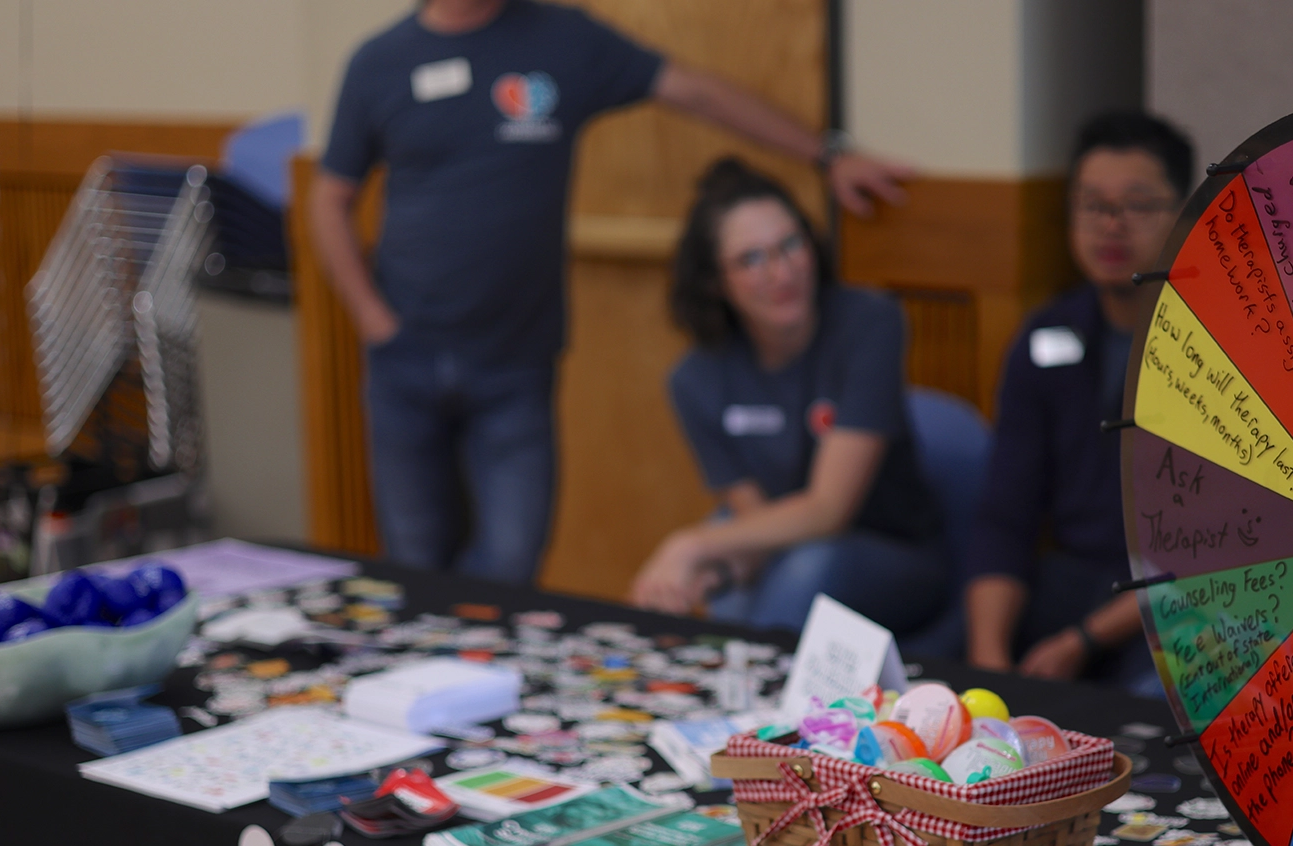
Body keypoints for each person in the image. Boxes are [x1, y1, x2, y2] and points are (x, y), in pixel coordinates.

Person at [310, 0, 909, 584]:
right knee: (414, 559)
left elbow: (698, 93)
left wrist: (826, 155)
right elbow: (329, 197)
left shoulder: (562, 40)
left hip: (515, 364)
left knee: (511, 565)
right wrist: (371, 317)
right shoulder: (379, 61)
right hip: (403, 358)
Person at [629, 158, 946, 634]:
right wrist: (713, 571)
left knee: (791, 563)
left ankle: (765, 698)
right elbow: (755, 521)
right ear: (716, 281)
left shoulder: (870, 323)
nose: (781, 273)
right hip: (792, 548)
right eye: (751, 259)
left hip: (892, 553)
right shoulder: (695, 378)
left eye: (790, 244)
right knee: (726, 559)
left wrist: (690, 545)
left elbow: (828, 510)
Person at [964, 111, 1193, 687]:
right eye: (1093, 205)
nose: (1111, 226)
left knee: (1155, 702)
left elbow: (1218, 551)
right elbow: (1004, 515)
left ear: (1186, 215)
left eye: (1137, 206)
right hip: (1068, 582)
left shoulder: (1217, 348)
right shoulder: (1047, 334)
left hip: (1178, 604)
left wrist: (1082, 641)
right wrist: (988, 654)